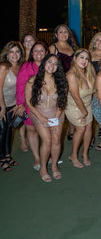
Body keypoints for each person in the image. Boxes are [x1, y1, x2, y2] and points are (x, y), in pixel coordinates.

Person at [25, 54, 68, 182]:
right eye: (50, 62)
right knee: (47, 141)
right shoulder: (32, 81)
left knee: (56, 140)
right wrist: (42, 118)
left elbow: (62, 101)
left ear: (58, 67)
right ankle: (43, 168)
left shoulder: (61, 81)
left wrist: (55, 117)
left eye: (55, 64)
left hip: (57, 113)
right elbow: (28, 102)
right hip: (39, 114)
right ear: (44, 63)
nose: (52, 65)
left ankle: (54, 166)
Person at [16, 41, 48, 170]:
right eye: (36, 50)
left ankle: (47, 155)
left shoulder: (50, 65)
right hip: (29, 105)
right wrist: (20, 104)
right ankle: (37, 157)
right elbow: (20, 87)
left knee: (47, 132)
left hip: (47, 105)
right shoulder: (26, 66)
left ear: (46, 52)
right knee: (32, 130)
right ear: (32, 53)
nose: (38, 53)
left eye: (41, 50)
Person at [65, 49, 95, 168]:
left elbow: (94, 89)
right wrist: (84, 112)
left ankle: (85, 153)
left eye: (87, 58)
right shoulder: (71, 74)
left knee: (89, 128)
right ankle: (73, 155)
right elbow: (76, 97)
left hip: (87, 104)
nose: (84, 61)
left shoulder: (88, 71)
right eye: (81, 57)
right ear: (75, 58)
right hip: (74, 106)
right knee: (81, 129)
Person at [0, 41, 24, 172]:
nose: (15, 54)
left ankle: (8, 155)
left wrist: (19, 104)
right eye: (12, 51)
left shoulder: (20, 67)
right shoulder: (4, 67)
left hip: (12, 105)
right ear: (7, 54)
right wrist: (2, 107)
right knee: (2, 131)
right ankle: (2, 158)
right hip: (1, 104)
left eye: (17, 51)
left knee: (9, 130)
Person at [19, 33, 36, 152]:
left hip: (30, 89)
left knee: (28, 117)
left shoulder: (36, 54)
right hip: (19, 86)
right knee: (22, 115)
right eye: (26, 41)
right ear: (23, 43)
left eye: (31, 40)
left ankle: (30, 137)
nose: (29, 43)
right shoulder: (19, 56)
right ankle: (22, 139)